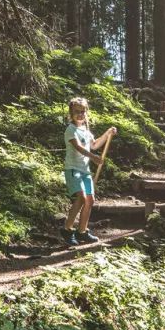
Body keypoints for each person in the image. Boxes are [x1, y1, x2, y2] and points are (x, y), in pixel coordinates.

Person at [63, 96, 115, 246]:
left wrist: (107, 134)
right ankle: (67, 229)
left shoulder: (85, 130)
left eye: (83, 111)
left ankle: (82, 231)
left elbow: (94, 145)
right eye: (76, 111)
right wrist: (93, 158)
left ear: (87, 112)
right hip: (73, 169)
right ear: (71, 113)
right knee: (81, 199)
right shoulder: (71, 129)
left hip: (85, 171)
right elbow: (78, 147)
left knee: (90, 200)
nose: (80, 114)